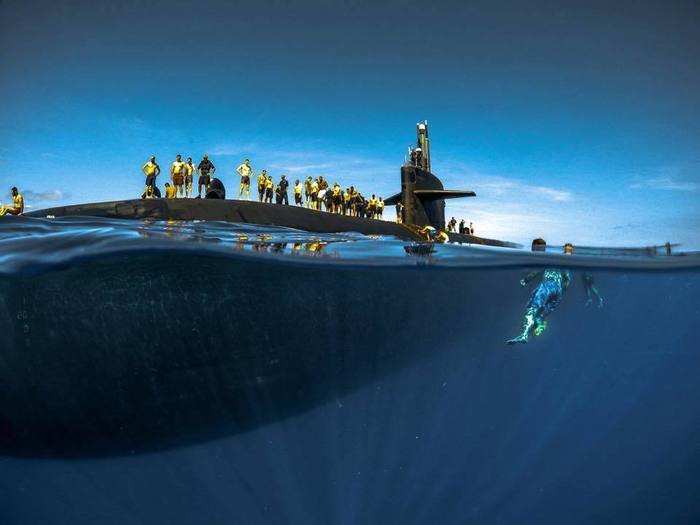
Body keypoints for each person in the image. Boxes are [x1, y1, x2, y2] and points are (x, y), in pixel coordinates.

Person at [506, 244, 603, 345]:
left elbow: (537, 271)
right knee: (541, 315)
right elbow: (567, 280)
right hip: (558, 291)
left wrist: (525, 280)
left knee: (532, 308)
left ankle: (524, 334)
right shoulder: (566, 264)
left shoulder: (550, 261)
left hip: (548, 285)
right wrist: (560, 292)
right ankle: (538, 324)